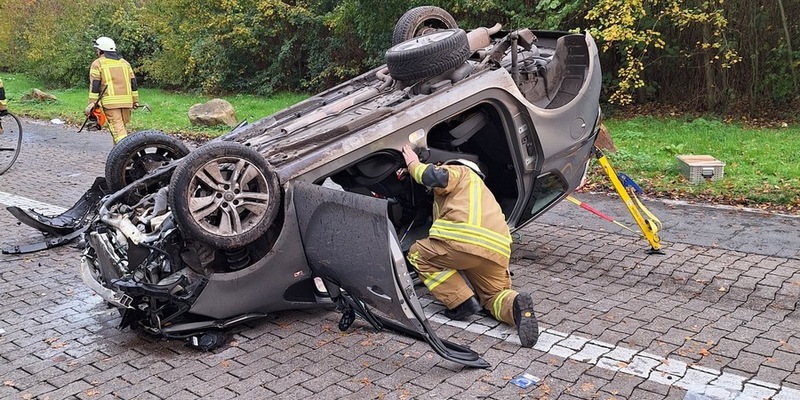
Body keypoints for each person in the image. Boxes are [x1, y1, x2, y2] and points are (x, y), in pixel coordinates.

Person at [401, 144, 539, 347]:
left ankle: (461, 302)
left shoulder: (462, 171)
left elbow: (435, 176)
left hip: (463, 243)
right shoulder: (485, 195)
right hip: (497, 251)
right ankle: (516, 306)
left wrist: (413, 164)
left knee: (417, 254)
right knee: (494, 296)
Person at [85, 36, 139, 144]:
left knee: (118, 132)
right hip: (127, 102)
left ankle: (126, 155)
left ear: (101, 50)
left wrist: (92, 103)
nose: (96, 51)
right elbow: (133, 83)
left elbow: (95, 85)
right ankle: (119, 158)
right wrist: (135, 100)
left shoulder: (98, 63)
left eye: (97, 49)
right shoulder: (125, 63)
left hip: (111, 103)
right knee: (121, 128)